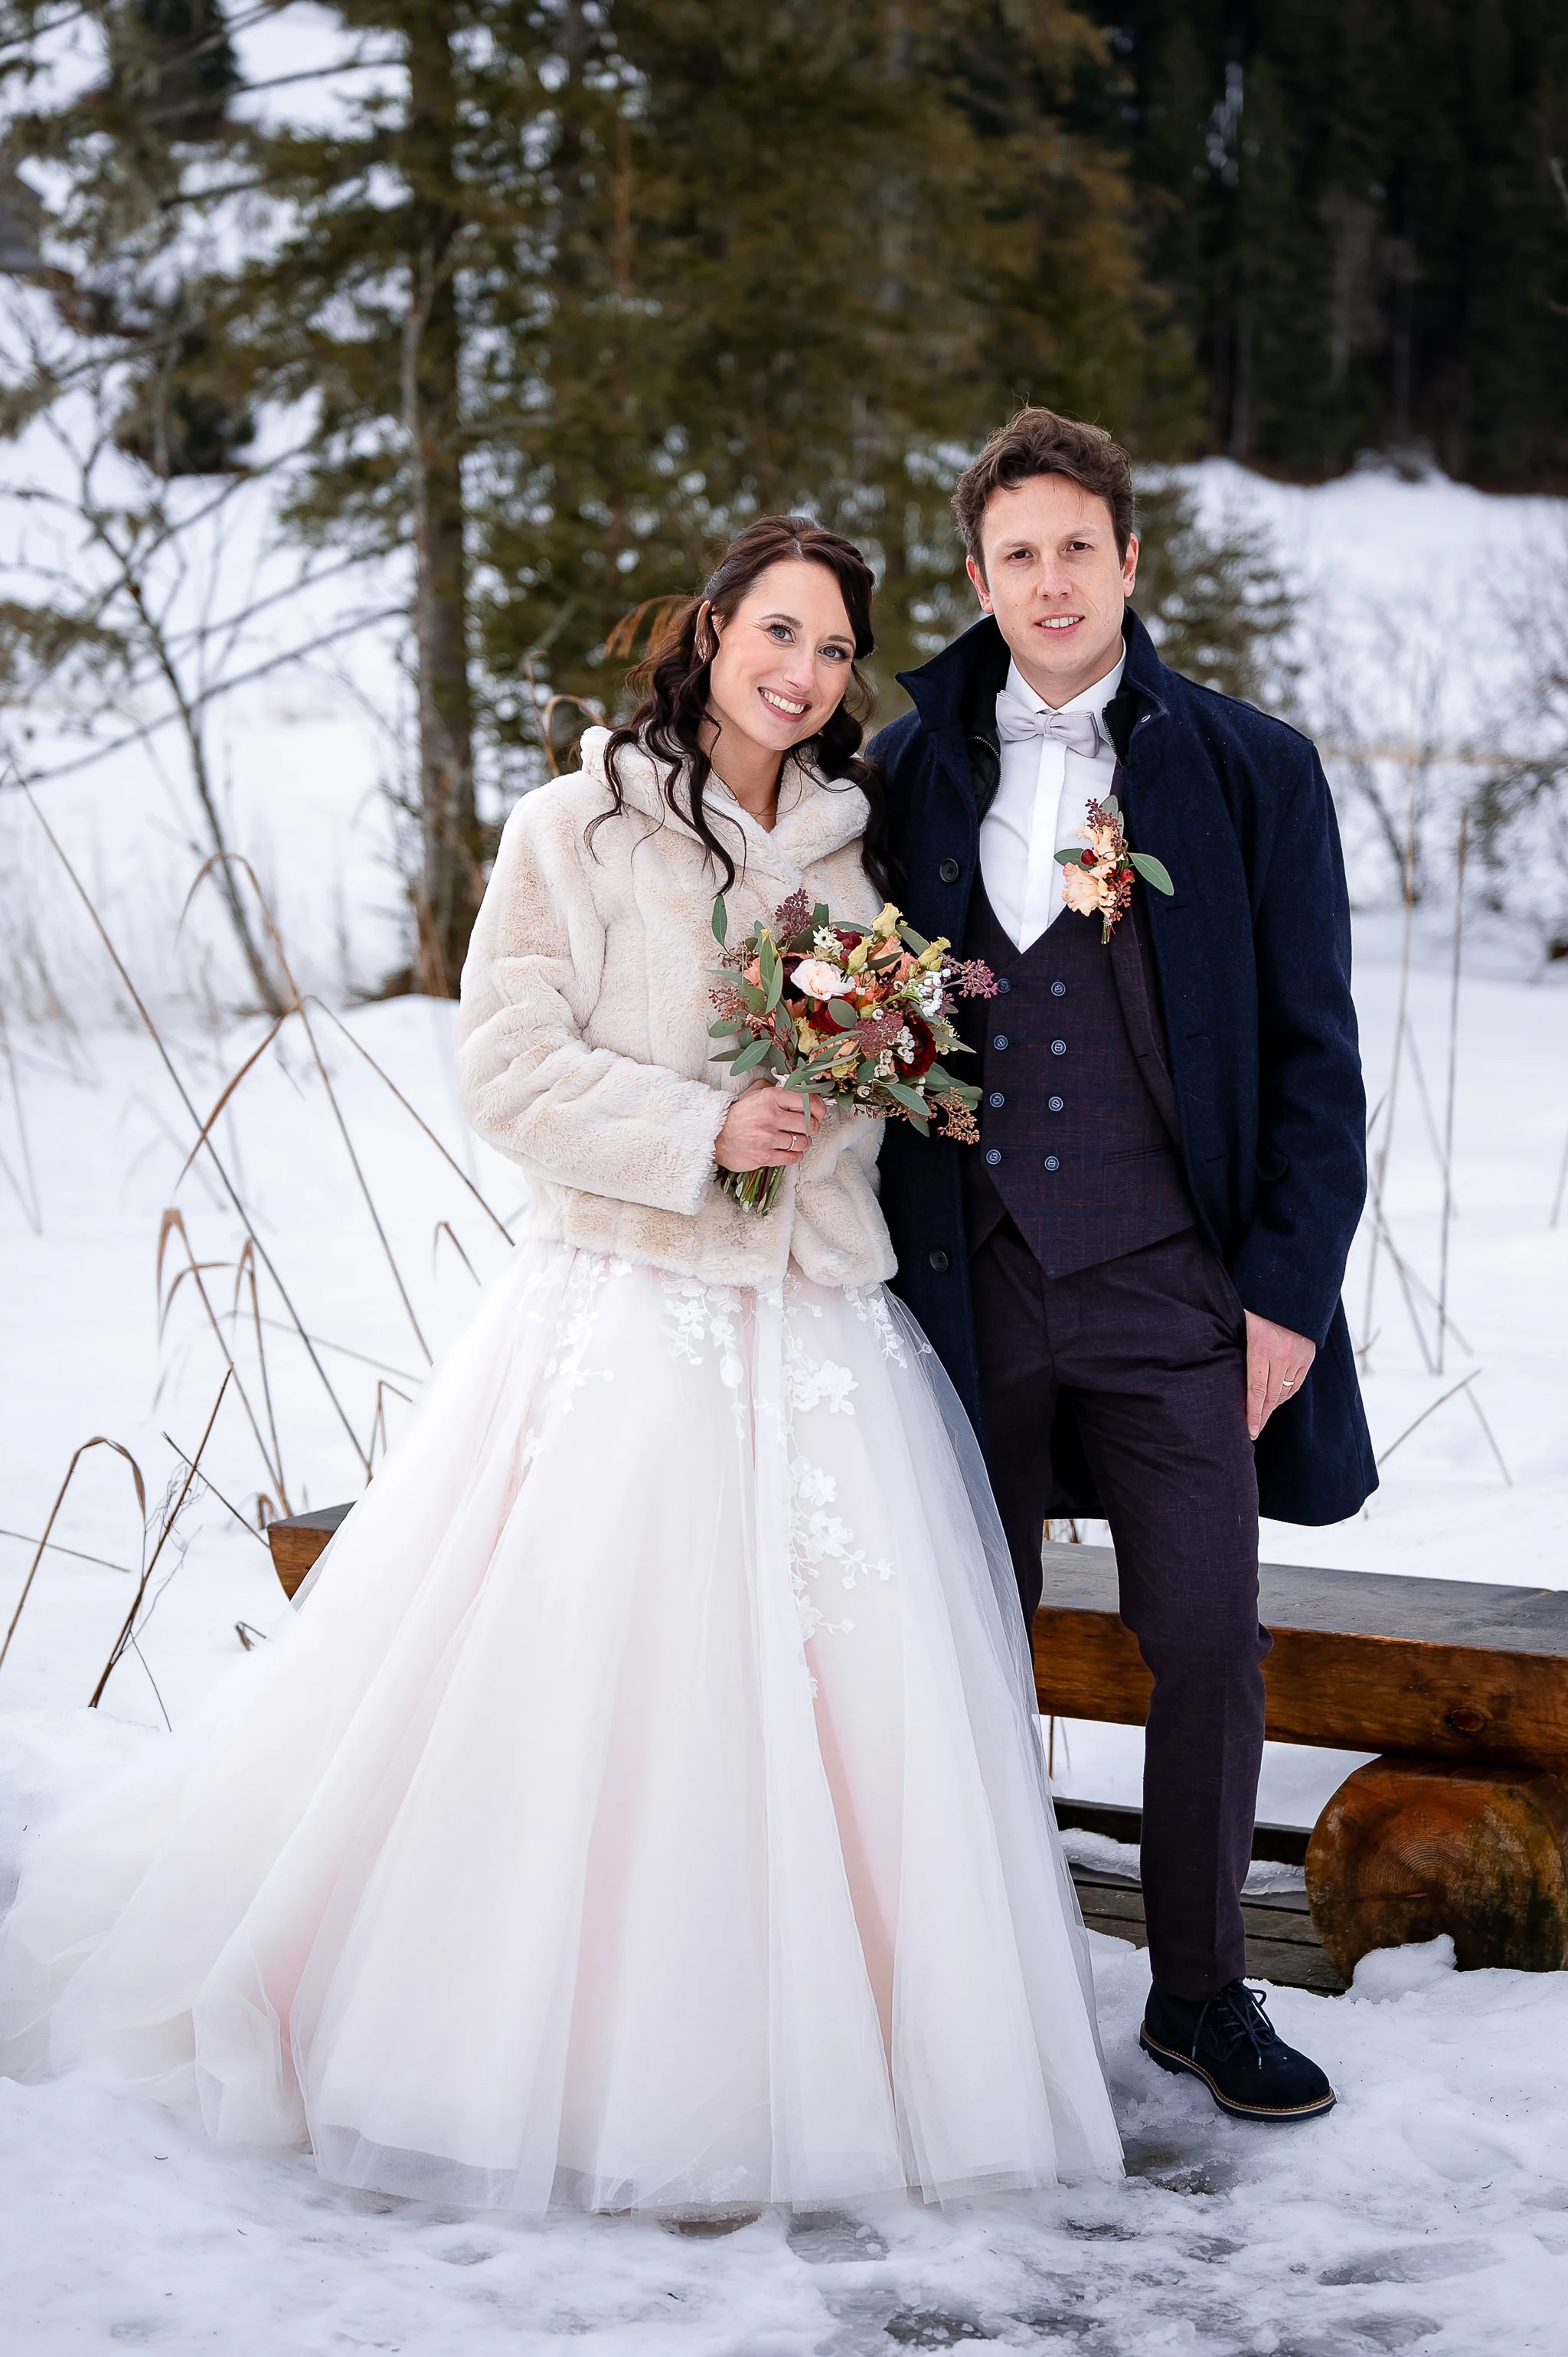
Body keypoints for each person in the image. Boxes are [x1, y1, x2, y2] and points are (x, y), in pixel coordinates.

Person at [0, 515, 1122, 2218]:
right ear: (711, 630)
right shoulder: (577, 826)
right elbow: (507, 1065)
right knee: (592, 1687)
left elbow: (877, 1084)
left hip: (817, 1321)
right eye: (776, 633)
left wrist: (840, 1100)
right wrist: (703, 1126)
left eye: (831, 651)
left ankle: (824, 2059)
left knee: (836, 1709)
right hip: (630, 1302)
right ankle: (529, 2047)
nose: (801, 673)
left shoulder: (851, 847)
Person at [872, 409, 1377, 2125]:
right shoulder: (901, 771)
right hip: (961, 1288)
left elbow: (1316, 1059)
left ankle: (1198, 1993)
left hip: (1180, 1288)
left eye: (1078, 544)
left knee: (1208, 1638)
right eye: (1017, 552)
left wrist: (1286, 1299)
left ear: (1130, 560)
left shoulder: (1250, 768)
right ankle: (974, 1996)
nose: (1051, 578)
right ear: (977, 577)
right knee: (958, 1636)